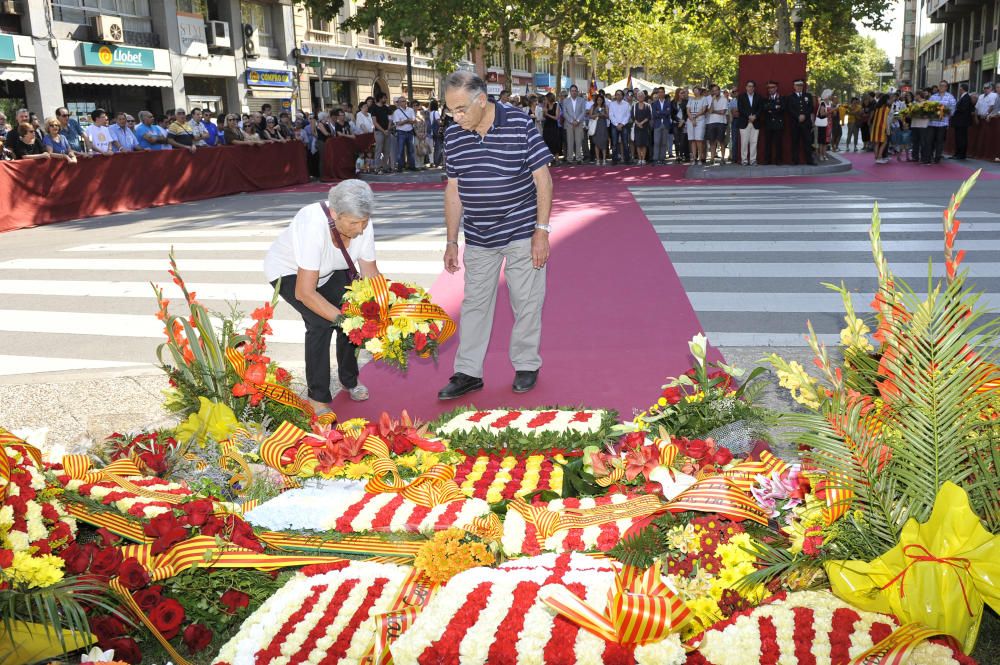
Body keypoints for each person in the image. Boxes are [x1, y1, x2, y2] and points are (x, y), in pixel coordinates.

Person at [437, 70, 552, 400]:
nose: (455, 117)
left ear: (482, 100)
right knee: (474, 303)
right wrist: (450, 241)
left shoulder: (518, 124)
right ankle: (468, 372)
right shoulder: (455, 136)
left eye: (460, 110)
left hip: (520, 228)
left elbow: (543, 180)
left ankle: (526, 364)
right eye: (450, 110)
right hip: (478, 235)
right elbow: (453, 190)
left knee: (526, 301)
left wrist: (541, 232)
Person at [264, 179, 377, 412]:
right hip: (289, 271)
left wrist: (385, 307)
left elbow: (370, 273)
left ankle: (349, 379)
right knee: (321, 322)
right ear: (335, 213)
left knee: (352, 309)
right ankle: (318, 396)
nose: (361, 229)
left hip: (329, 269)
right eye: (355, 223)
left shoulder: (361, 220)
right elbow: (305, 293)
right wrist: (344, 321)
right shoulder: (312, 224)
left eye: (364, 222)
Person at [924, 80, 956, 164]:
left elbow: (952, 111)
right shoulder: (933, 97)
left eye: (943, 86)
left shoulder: (950, 97)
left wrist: (945, 112)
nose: (941, 87)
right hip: (932, 123)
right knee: (929, 140)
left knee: (939, 141)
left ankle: (937, 158)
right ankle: (927, 158)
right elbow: (928, 108)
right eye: (940, 85)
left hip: (943, 123)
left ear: (946, 87)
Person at [786, 79, 816, 166]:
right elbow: (789, 109)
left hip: (806, 123)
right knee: (795, 142)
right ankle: (795, 160)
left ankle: (809, 160)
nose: (799, 87)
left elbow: (811, 107)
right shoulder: (790, 97)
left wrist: (804, 115)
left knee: (808, 142)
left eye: (801, 86)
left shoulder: (808, 96)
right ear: (794, 87)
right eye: (797, 86)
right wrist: (798, 116)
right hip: (795, 123)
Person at [736, 80, 764, 166]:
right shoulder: (741, 96)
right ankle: (744, 160)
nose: (750, 88)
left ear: (754, 88)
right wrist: (748, 116)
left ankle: (753, 160)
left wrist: (755, 116)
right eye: (749, 86)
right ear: (746, 87)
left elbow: (761, 109)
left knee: (754, 142)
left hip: (755, 122)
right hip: (744, 122)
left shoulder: (759, 97)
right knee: (744, 142)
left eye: (752, 86)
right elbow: (740, 108)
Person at [561, 85, 587, 164]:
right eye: (572, 91)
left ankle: (579, 158)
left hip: (579, 124)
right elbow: (565, 113)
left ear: (577, 91)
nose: (574, 92)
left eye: (575, 90)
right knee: (570, 141)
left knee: (578, 141)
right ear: (570, 92)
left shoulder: (582, 100)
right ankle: (570, 159)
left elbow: (583, 111)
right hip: (569, 124)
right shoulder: (565, 101)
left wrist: (578, 120)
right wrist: (572, 121)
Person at [391, 97, 417, 171]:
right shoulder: (396, 112)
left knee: (411, 150)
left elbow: (414, 121)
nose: (404, 102)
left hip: (410, 131)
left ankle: (412, 166)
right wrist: (407, 121)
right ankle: (400, 167)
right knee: (400, 150)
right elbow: (398, 123)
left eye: (405, 101)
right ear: (399, 103)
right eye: (402, 101)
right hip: (401, 132)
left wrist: (404, 121)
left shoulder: (411, 110)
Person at [705, 84, 728, 165]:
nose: (715, 92)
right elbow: (709, 111)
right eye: (713, 90)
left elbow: (723, 112)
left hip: (721, 122)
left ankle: (722, 158)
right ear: (711, 91)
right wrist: (712, 101)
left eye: (716, 90)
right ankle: (712, 158)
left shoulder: (724, 99)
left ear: (719, 90)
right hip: (710, 122)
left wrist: (714, 111)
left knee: (721, 140)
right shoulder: (707, 98)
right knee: (712, 141)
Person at [686, 86, 709, 165]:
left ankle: (700, 157)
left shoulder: (704, 99)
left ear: (700, 91)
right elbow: (688, 110)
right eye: (694, 91)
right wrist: (692, 119)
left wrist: (695, 116)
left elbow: (703, 110)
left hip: (700, 120)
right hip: (690, 120)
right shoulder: (691, 100)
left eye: (696, 91)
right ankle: (694, 158)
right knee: (692, 140)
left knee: (699, 140)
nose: (695, 92)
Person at [950, 83, 973, 161]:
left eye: (960, 88)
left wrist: (955, 110)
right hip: (959, 122)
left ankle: (961, 154)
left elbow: (963, 109)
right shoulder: (963, 97)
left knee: (961, 138)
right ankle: (957, 153)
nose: (959, 90)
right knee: (958, 138)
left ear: (962, 89)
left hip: (962, 122)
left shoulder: (966, 97)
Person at [608, 89, 632, 164]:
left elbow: (628, 115)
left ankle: (626, 159)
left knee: (625, 142)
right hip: (614, 125)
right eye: (617, 94)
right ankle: (614, 159)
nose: (618, 96)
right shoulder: (612, 104)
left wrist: (622, 124)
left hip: (623, 125)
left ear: (622, 96)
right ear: (615, 96)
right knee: (614, 143)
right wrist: (616, 124)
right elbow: (611, 115)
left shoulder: (626, 104)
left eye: (620, 94)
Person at [651, 88, 671, 164]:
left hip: (665, 124)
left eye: (662, 92)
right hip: (657, 124)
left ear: (664, 93)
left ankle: (662, 158)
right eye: (659, 92)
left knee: (664, 142)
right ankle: (656, 159)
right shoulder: (654, 103)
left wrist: (660, 112)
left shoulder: (668, 102)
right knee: (656, 142)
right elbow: (654, 114)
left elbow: (668, 112)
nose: (660, 94)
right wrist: (663, 112)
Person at [631, 91, 651, 165]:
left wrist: (642, 123)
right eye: (639, 95)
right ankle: (640, 159)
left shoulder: (648, 105)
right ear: (637, 97)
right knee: (638, 144)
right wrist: (638, 124)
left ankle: (643, 159)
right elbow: (632, 117)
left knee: (644, 144)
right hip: (637, 127)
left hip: (645, 127)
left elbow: (649, 116)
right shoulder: (634, 106)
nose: (640, 97)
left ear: (644, 96)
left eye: (642, 95)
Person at [589, 94, 610, 165]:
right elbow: (590, 116)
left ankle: (604, 159)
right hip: (595, 126)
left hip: (603, 126)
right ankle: (597, 159)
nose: (599, 101)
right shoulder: (593, 106)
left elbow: (608, 116)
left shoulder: (605, 106)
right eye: (598, 100)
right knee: (596, 143)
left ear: (603, 100)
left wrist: (603, 114)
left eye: (601, 100)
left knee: (604, 142)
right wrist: (597, 115)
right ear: (596, 100)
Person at [869, 93, 890, 164]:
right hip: (882, 126)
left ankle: (876, 157)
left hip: (875, 126)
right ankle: (879, 156)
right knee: (884, 142)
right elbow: (886, 120)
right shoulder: (886, 108)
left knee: (876, 142)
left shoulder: (877, 107)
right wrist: (887, 129)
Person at [542, 92, 562, 165]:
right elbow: (544, 117)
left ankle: (556, 160)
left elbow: (557, 117)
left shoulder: (556, 105)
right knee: (547, 142)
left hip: (554, 127)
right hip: (547, 127)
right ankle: (548, 160)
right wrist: (544, 112)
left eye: (546, 99)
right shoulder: (545, 105)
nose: (545, 100)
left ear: (549, 98)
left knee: (555, 143)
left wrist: (547, 114)